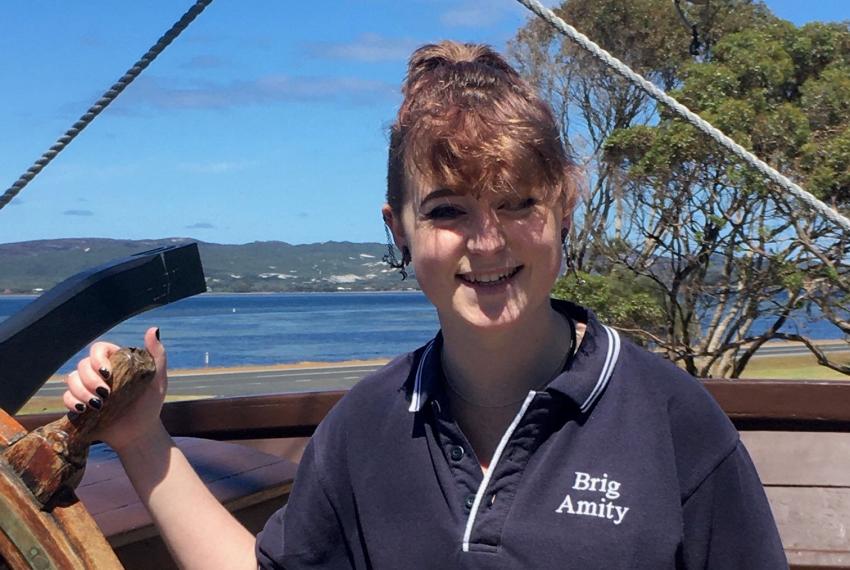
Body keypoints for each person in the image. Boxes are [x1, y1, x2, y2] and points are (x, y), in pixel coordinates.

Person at [63, 41, 787, 569]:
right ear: (398, 231)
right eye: (448, 211)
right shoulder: (366, 429)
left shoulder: (672, 424)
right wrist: (140, 438)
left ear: (563, 211)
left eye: (517, 203)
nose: (488, 240)